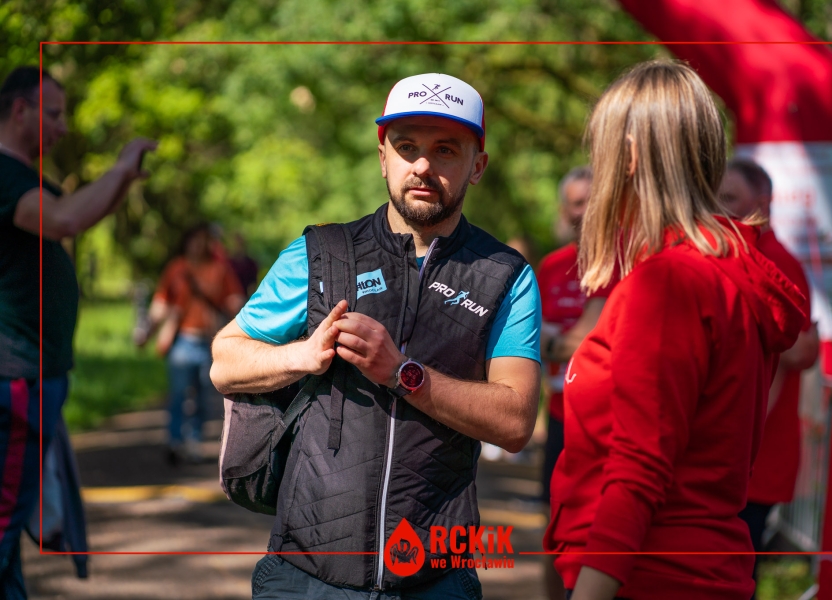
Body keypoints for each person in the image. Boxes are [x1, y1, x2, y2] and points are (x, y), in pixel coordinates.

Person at [210, 72, 541, 599]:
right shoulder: (321, 253)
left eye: (445, 150)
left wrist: (402, 373)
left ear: (477, 166)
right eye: (407, 147)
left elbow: (517, 421)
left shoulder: (506, 275)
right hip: (305, 575)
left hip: (435, 579)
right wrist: (303, 355)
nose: (423, 166)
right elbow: (225, 360)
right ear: (383, 156)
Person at [543, 60, 808, 600]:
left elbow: (639, 469)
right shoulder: (722, 270)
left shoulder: (670, 283)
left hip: (648, 576)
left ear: (631, 155)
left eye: (602, 151)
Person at [0, 66, 156, 598]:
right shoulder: (4, 175)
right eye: (54, 114)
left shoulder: (28, 178)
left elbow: (78, 215)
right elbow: (65, 219)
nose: (63, 127)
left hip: (34, 376)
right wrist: (119, 168)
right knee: (4, 521)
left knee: (13, 520)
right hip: (15, 378)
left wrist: (123, 180)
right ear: (19, 110)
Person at [719, 158, 818, 587]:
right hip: (737, 455)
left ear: (762, 204)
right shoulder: (738, 254)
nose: (719, 208)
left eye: (730, 198)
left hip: (754, 458)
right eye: (715, 198)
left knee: (734, 575)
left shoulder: (774, 261)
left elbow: (802, 348)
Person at [536, 165, 616, 600]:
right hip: (559, 416)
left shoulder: (617, 261)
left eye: (591, 202)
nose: (583, 212)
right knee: (553, 529)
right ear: (564, 210)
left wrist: (558, 342)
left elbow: (583, 339)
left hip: (607, 421)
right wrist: (558, 344)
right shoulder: (551, 267)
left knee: (598, 531)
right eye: (576, 204)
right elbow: (530, 338)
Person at [136, 223, 244, 464]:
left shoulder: (219, 269)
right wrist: (146, 332)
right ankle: (175, 441)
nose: (197, 245)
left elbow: (234, 301)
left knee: (203, 396)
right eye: (194, 239)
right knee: (178, 394)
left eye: (202, 240)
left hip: (209, 342)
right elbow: (161, 304)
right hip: (182, 342)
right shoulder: (177, 269)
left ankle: (194, 441)